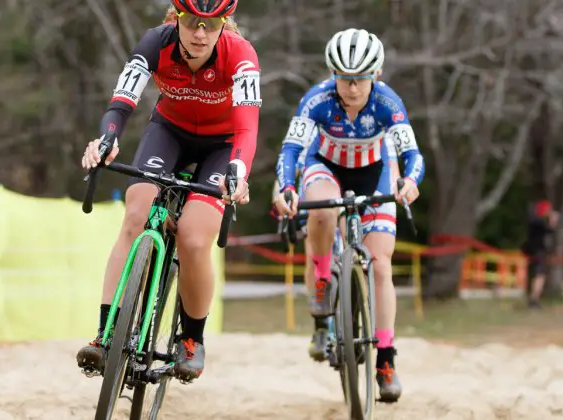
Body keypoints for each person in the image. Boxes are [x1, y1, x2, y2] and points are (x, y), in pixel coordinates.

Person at [76, 0, 261, 383]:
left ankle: (191, 340)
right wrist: (107, 139)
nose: (200, 33)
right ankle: (105, 332)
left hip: (222, 146)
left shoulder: (241, 55)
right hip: (170, 133)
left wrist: (238, 171)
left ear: (223, 24)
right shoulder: (154, 42)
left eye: (210, 25)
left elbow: (246, 128)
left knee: (194, 239)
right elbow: (121, 102)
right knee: (135, 217)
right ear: (177, 18)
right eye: (192, 22)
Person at [272, 28, 425, 403]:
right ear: (332, 74)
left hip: (374, 171)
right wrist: (288, 187)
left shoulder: (388, 103)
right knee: (321, 214)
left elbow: (413, 155)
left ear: (376, 74)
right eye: (343, 78)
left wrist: (410, 181)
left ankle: (386, 359)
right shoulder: (317, 99)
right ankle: (323, 278)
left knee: (382, 264)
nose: (352, 88)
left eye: (360, 79)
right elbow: (290, 150)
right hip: (325, 166)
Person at [521, 200, 558, 308]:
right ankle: (534, 299)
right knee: (540, 276)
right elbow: (550, 230)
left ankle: (532, 298)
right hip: (538, 251)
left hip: (532, 251)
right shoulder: (538, 222)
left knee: (536, 275)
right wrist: (553, 220)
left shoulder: (533, 221)